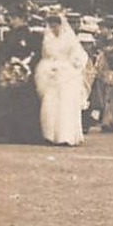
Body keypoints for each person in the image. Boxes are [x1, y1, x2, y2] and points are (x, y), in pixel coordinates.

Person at [35, 15, 87, 146]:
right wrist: (48, 68)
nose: (53, 29)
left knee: (65, 104)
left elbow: (79, 56)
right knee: (50, 104)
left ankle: (66, 135)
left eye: (55, 26)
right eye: (51, 26)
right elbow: (45, 55)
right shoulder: (48, 39)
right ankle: (50, 135)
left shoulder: (70, 39)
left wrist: (69, 65)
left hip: (67, 74)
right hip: (51, 73)